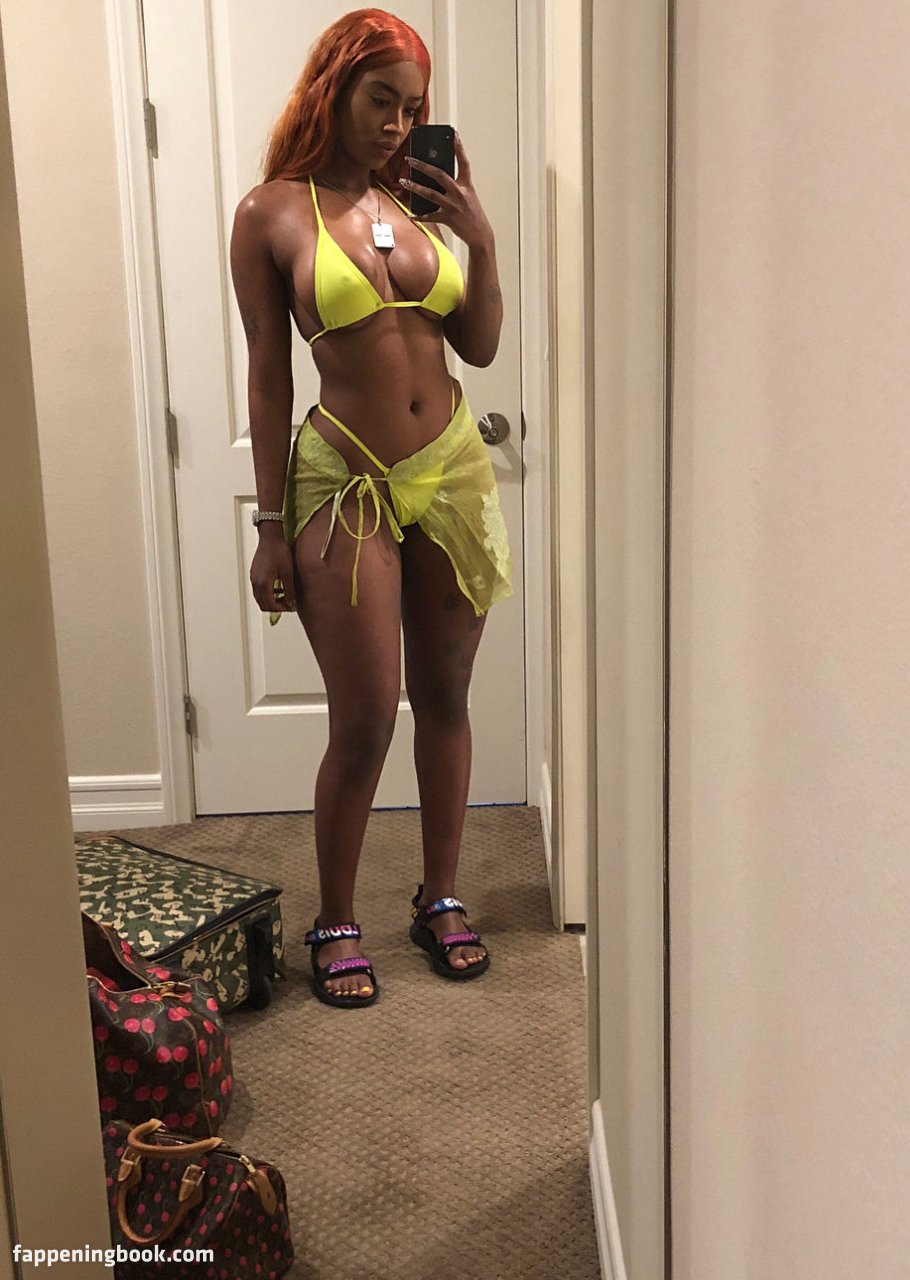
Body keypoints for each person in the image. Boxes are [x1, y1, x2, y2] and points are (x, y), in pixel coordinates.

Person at [229, 8, 512, 1009]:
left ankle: (441, 896)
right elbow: (269, 377)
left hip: (450, 471)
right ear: (333, 89)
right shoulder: (271, 213)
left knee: (446, 697)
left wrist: (478, 236)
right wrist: (269, 527)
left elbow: (479, 344)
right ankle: (336, 916)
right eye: (380, 99)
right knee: (361, 720)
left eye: (413, 107)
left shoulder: (424, 204)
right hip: (341, 482)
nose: (397, 124)